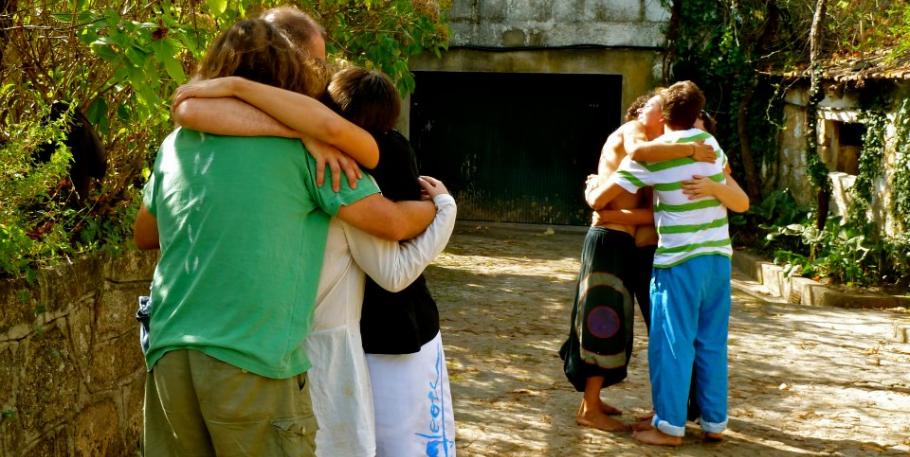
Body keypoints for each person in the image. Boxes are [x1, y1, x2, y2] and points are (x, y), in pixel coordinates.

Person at [135, 18, 439, 456]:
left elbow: (145, 233)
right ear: (292, 74)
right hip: (253, 360)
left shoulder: (177, 144)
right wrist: (437, 207)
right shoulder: (314, 152)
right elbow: (389, 223)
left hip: (169, 354)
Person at [585, 80, 749, 446]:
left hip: (679, 261)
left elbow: (603, 199)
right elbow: (736, 194)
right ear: (696, 113)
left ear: (665, 115)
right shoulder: (710, 146)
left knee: (673, 342)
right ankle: (714, 422)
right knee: (711, 343)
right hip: (718, 259)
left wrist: (591, 190)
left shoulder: (653, 153)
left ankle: (670, 427)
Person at [560, 90, 717, 432]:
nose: (659, 118)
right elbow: (608, 206)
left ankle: (675, 408)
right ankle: (589, 407)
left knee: (661, 327)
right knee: (603, 322)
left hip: (640, 245)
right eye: (653, 109)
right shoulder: (634, 134)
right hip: (611, 242)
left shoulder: (663, 149)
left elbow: (650, 210)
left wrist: (615, 210)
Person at [325, 68, 458, 457]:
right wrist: (446, 210)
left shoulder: (327, 155)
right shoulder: (384, 153)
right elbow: (395, 272)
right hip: (397, 329)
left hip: (375, 332)